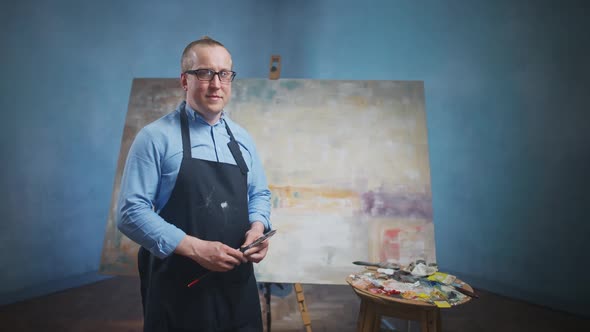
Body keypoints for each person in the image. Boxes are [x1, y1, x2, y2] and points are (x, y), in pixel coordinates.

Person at [117, 36, 272, 332]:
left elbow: (259, 194)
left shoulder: (243, 139)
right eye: (204, 73)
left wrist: (258, 229)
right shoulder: (155, 138)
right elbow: (130, 212)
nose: (216, 83)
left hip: (237, 287)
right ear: (184, 81)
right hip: (179, 288)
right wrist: (196, 248)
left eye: (224, 73)